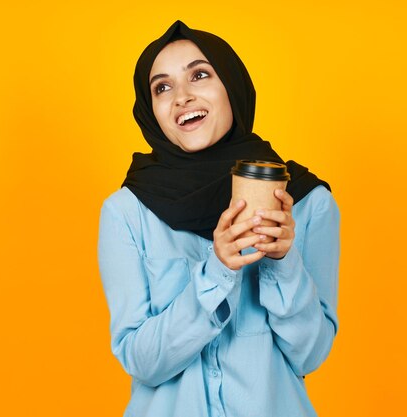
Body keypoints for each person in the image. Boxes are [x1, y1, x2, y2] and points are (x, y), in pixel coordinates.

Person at [98, 20, 340, 417]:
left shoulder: (306, 202)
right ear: (150, 111)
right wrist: (217, 271)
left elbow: (310, 354)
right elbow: (141, 361)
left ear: (232, 86)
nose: (182, 97)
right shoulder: (127, 212)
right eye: (162, 87)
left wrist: (282, 263)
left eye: (200, 75)